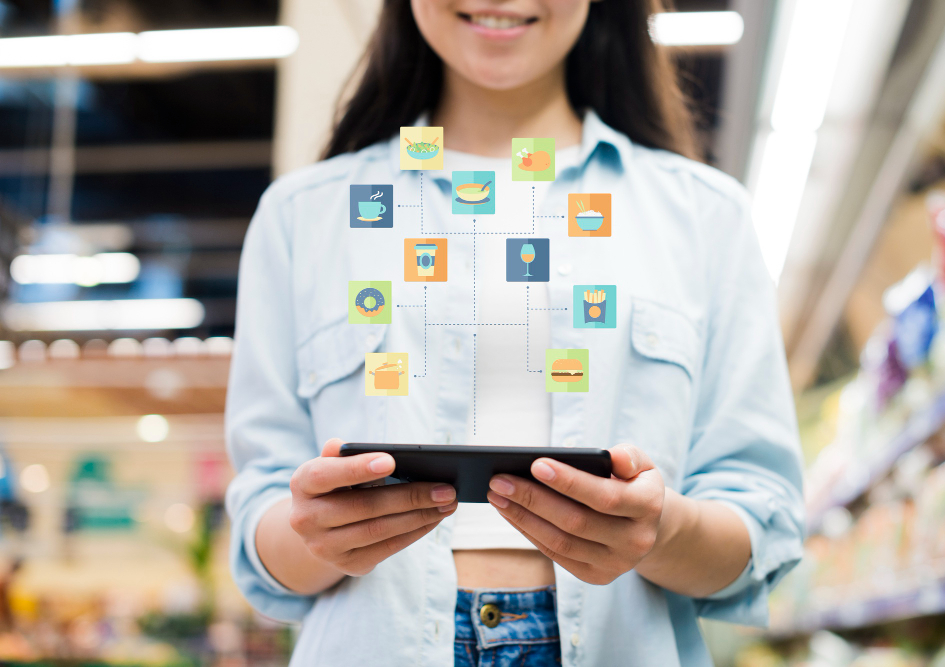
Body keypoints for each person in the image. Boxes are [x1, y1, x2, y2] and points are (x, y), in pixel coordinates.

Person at [225, 1, 805, 665]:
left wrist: (662, 530)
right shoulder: (303, 218)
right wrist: (315, 534)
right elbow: (262, 521)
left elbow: (764, 523)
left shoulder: (705, 216)